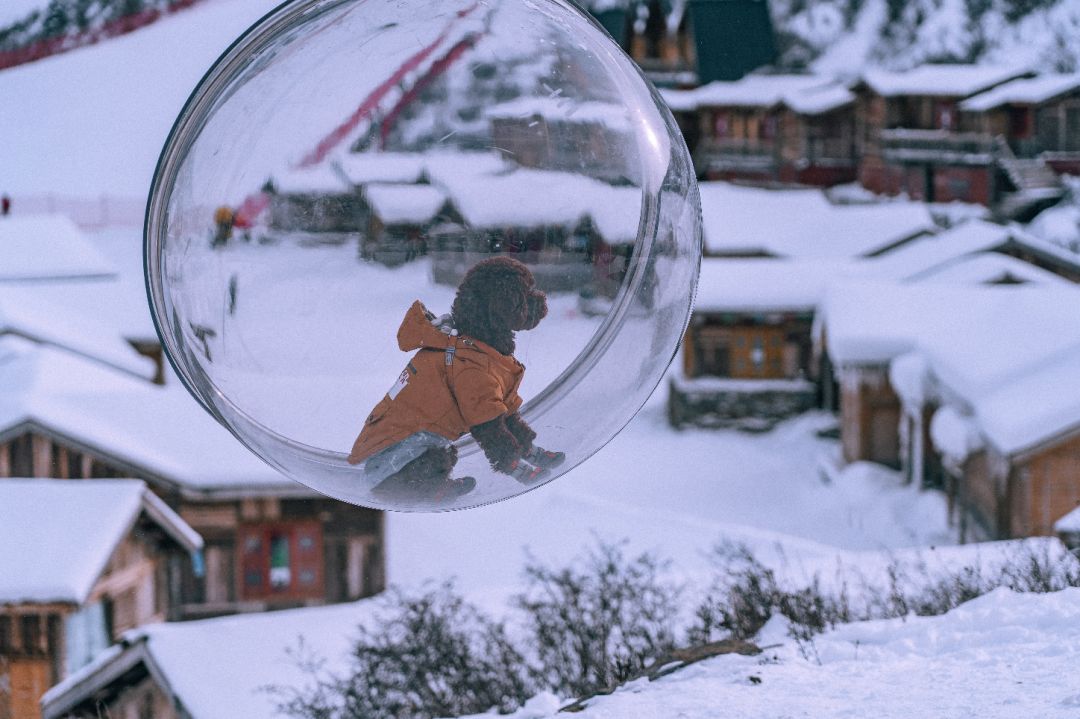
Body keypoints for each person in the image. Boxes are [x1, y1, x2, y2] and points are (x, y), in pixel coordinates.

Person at [348, 256, 564, 503]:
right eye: (526, 296)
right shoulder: (469, 363)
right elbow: (488, 426)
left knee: (448, 449)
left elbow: (499, 408)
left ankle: (529, 452)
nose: (537, 301)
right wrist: (514, 466)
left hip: (408, 456)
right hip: (393, 467)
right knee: (440, 457)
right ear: (502, 307)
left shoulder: (477, 350)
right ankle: (429, 488)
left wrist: (527, 447)